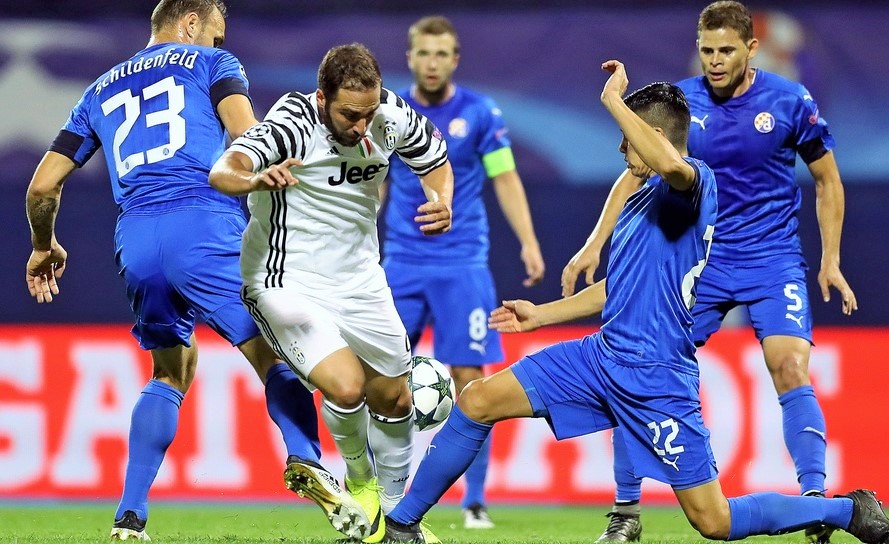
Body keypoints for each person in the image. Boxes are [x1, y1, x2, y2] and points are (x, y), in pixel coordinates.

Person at [378, 60, 889, 544]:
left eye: (627, 139)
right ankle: (402, 524)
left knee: (714, 521)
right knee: (477, 400)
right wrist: (542, 315)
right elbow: (615, 287)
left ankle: (845, 511)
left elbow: (673, 167)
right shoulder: (639, 202)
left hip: (658, 378)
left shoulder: (697, 186)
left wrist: (614, 103)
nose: (619, 152)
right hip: (600, 358)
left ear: (651, 136)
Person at [21, 1, 352, 541]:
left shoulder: (98, 90)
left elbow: (41, 186)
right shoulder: (213, 66)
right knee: (276, 351)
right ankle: (307, 460)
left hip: (136, 243)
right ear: (192, 23)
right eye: (216, 34)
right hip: (203, 224)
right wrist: (270, 172)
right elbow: (249, 136)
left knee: (169, 372)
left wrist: (43, 245)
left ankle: (129, 518)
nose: (219, 45)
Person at [561, 3, 858, 542]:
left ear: (751, 49)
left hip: (772, 258)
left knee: (790, 366)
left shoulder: (791, 101)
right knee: (638, 362)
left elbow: (828, 180)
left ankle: (815, 501)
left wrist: (831, 259)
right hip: (701, 260)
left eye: (726, 50)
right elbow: (636, 172)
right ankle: (625, 513)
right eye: (707, 50)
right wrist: (593, 243)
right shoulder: (680, 103)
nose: (715, 61)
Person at [208, 43, 453, 544]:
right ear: (322, 98)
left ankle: (393, 516)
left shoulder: (389, 115)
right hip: (284, 280)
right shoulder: (292, 122)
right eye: (349, 114)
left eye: (368, 113)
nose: (362, 126)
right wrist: (256, 177)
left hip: (361, 280)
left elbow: (436, 161)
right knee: (346, 387)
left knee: (395, 397)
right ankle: (360, 486)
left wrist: (441, 199)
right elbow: (222, 171)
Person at [381, 15, 545, 530]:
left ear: (455, 59)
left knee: (472, 380)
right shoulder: (388, 112)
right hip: (401, 262)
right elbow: (375, 184)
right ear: (410, 58)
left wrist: (529, 241)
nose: (432, 62)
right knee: (381, 376)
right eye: (423, 53)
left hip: (462, 263)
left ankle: (473, 499)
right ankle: (383, 489)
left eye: (442, 53)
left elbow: (505, 178)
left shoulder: (479, 113)